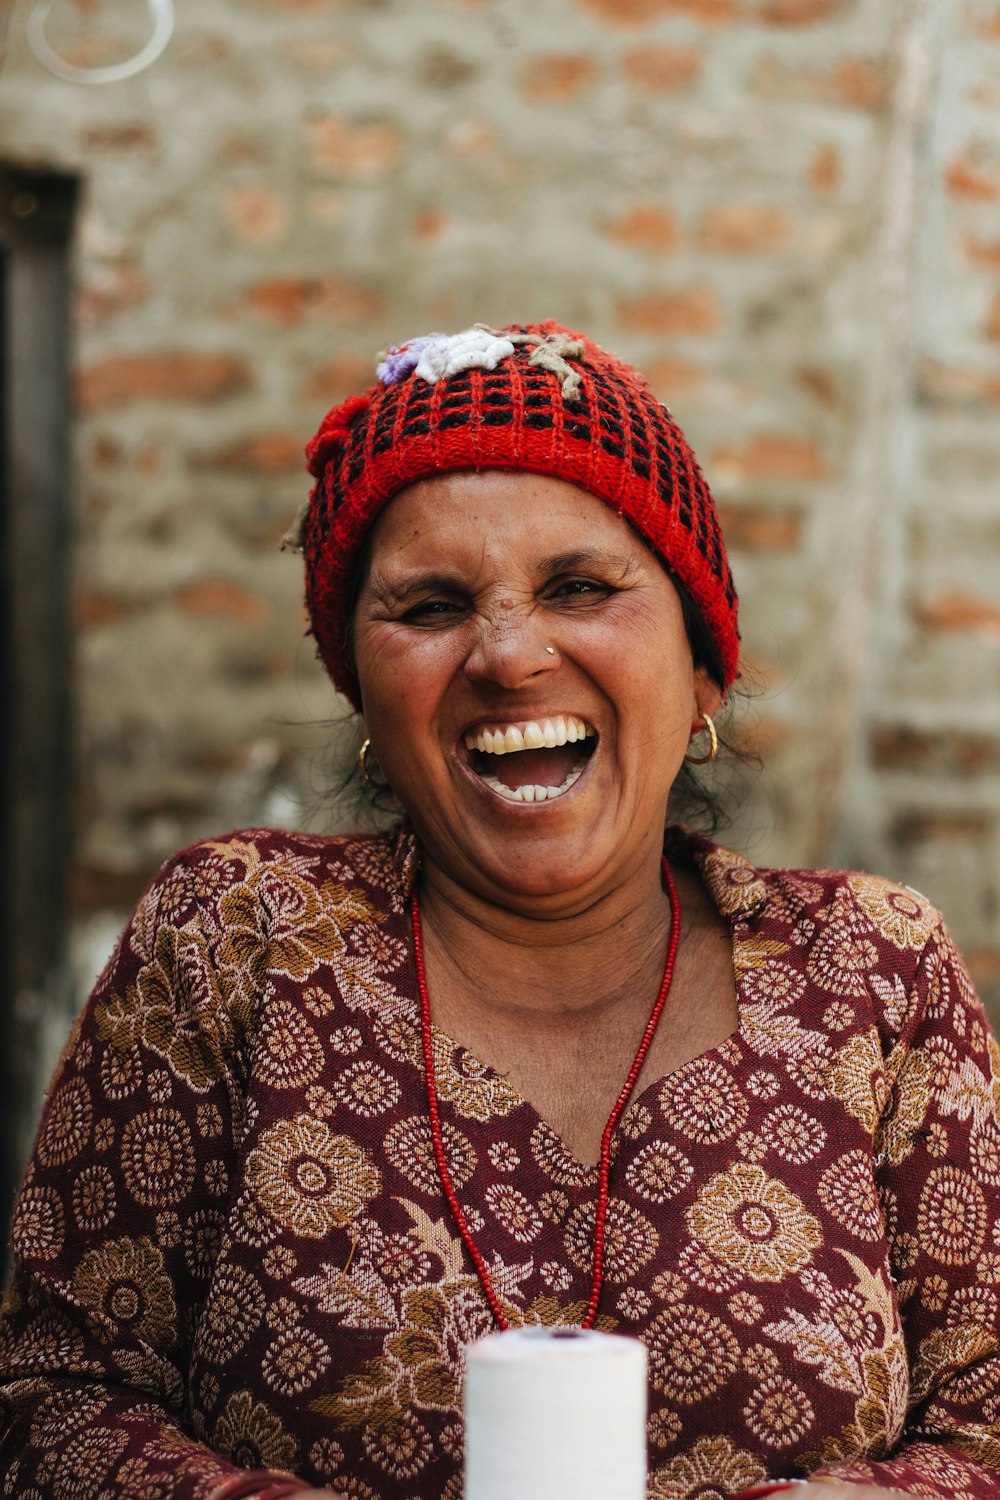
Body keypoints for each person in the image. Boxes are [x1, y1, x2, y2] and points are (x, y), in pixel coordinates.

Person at [1, 321, 999, 1500]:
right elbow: (55, 1404)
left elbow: (984, 1424)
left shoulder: (871, 968)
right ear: (362, 695)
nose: (509, 654)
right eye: (429, 606)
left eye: (579, 586)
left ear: (702, 669)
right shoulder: (237, 940)